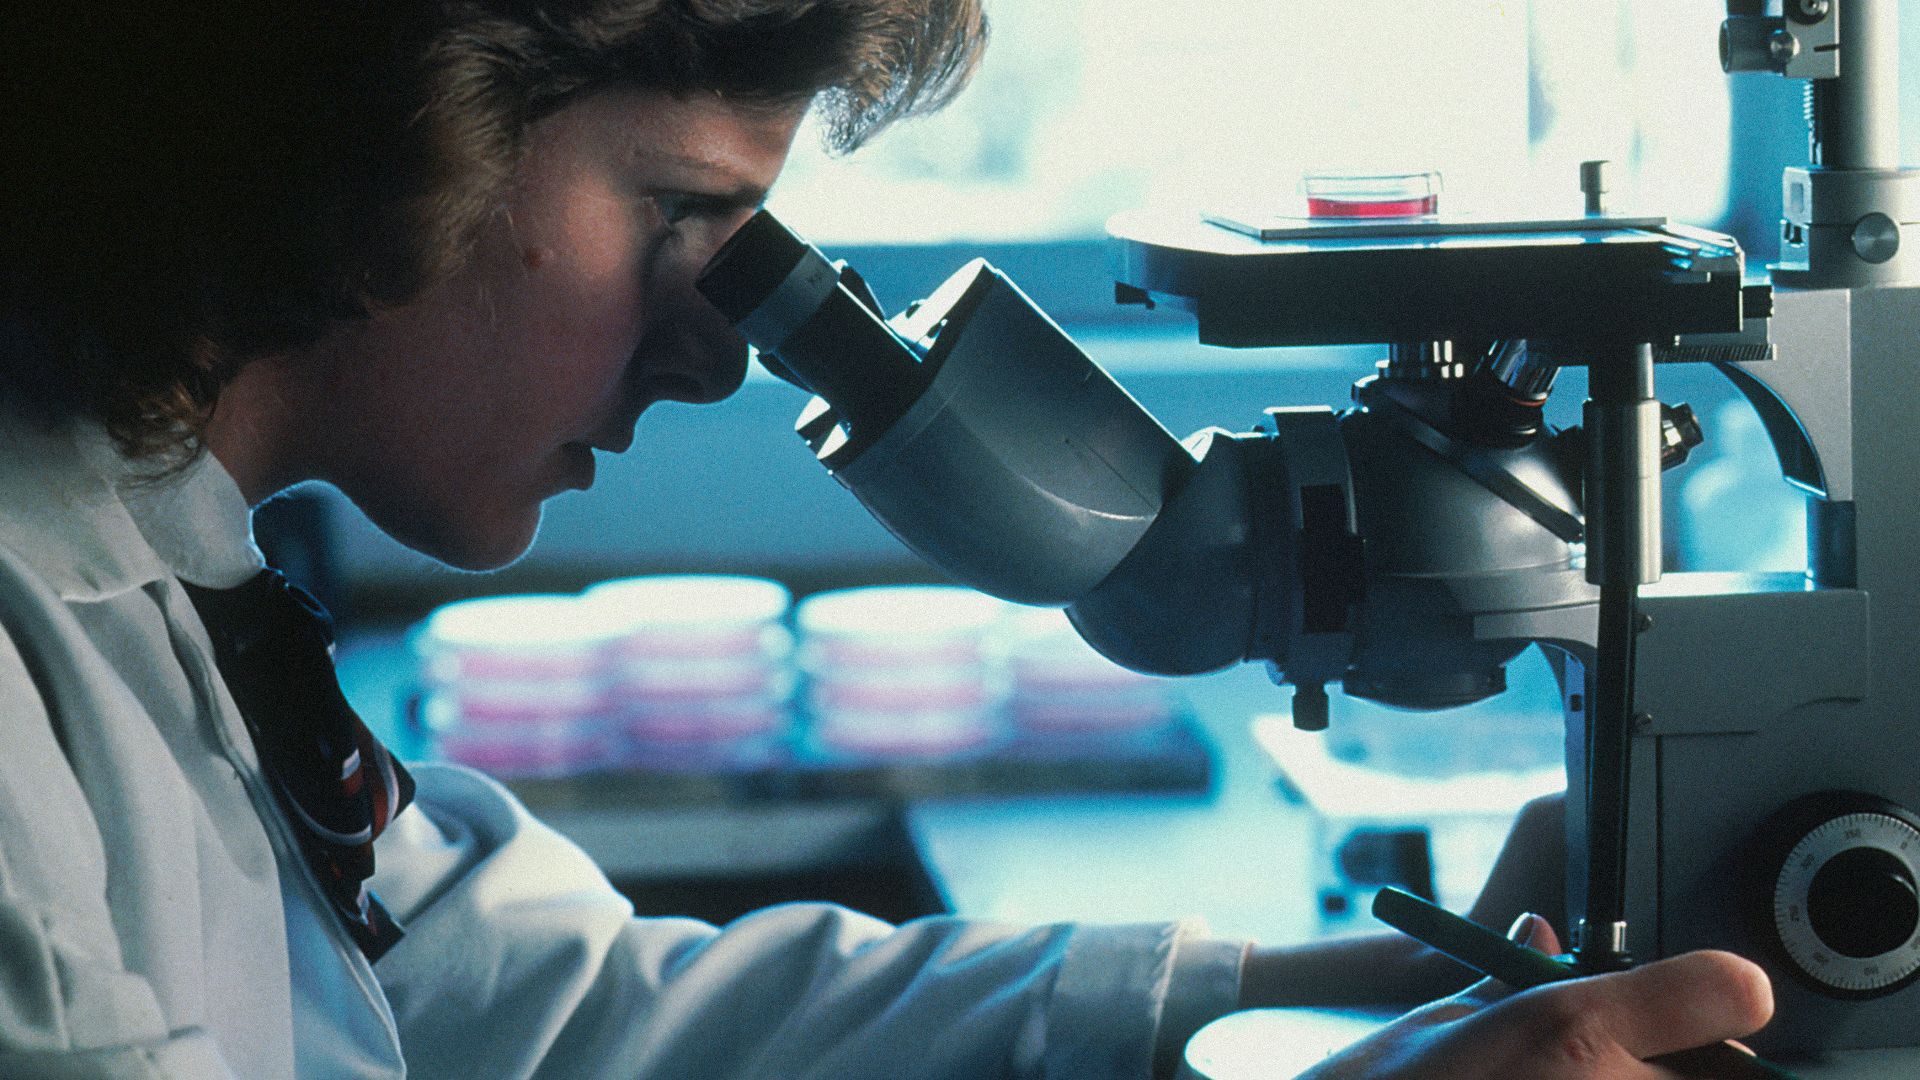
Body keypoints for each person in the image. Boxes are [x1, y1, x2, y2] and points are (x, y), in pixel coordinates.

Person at [0, 4, 1772, 1078]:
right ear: (401, 122)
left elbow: (558, 1022)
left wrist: (1346, 984)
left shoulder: (169, 565)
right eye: (682, 217)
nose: (711, 354)